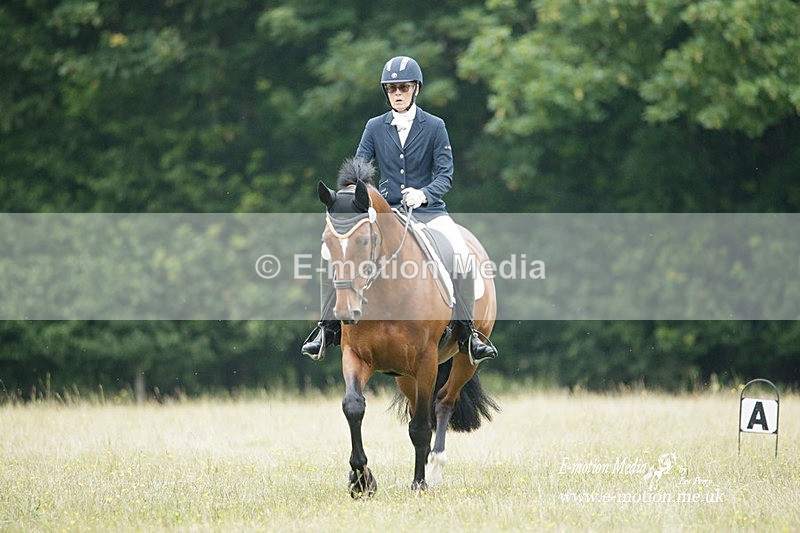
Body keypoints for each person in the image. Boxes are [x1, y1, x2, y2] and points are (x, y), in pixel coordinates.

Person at [302, 55, 497, 364]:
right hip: (385, 214)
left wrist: (424, 194)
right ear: (386, 92)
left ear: (415, 89)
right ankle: (327, 329)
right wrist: (350, 197)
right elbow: (357, 171)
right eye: (392, 88)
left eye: (403, 87)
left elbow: (445, 175)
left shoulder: (435, 126)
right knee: (330, 252)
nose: (397, 93)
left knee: (460, 251)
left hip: (429, 212)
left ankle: (467, 333)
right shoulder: (374, 127)